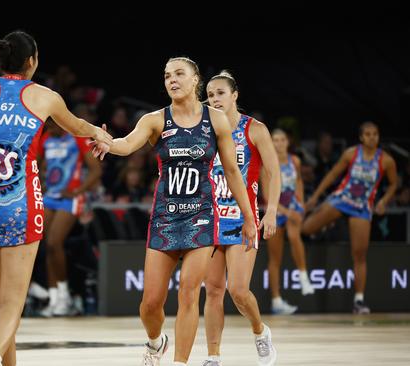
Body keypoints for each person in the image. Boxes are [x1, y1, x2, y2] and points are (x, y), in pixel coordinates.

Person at [0, 31, 112, 366]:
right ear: (32, 61)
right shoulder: (45, 96)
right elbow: (76, 126)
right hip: (20, 203)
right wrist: (100, 133)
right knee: (13, 304)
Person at [91, 58, 257, 366]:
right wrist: (107, 142)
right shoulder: (155, 119)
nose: (172, 80)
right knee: (150, 304)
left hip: (202, 216)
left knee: (188, 294)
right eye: (167, 75)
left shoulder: (216, 120)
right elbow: (126, 145)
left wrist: (249, 217)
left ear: (196, 80)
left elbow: (233, 172)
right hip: (166, 218)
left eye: (179, 74)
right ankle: (156, 341)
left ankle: (180, 363)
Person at [202, 71, 279, 366]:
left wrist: (270, 210)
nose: (214, 99)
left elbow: (273, 172)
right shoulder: (206, 129)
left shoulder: (254, 129)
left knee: (237, 289)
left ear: (234, 95)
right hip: (211, 219)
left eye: (220, 93)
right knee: (213, 291)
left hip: (242, 219)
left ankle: (260, 332)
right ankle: (213, 357)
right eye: (210, 95)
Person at [303, 121, 397, 314]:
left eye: (375, 134)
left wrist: (384, 201)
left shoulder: (386, 160)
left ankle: (359, 301)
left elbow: (394, 184)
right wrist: (313, 198)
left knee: (359, 255)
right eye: (368, 134)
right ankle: (327, 224)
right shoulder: (351, 154)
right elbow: (331, 176)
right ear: (361, 137)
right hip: (342, 199)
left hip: (362, 208)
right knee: (306, 228)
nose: (372, 137)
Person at [39, 118, 102, 316]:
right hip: (50, 196)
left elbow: (96, 170)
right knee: (47, 246)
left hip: (71, 199)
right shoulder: (46, 139)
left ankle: (65, 296)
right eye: (48, 127)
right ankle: (54, 298)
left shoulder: (77, 138)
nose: (50, 130)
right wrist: (43, 178)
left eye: (52, 126)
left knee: (54, 243)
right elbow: (38, 165)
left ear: (61, 123)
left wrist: (77, 191)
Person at [265, 129, 315, 317]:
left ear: (287, 142)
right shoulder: (266, 162)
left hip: (292, 205)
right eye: (275, 140)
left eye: (282, 139)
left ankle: (303, 277)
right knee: (275, 259)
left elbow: (299, 182)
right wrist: (286, 212)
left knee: (295, 236)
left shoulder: (295, 161)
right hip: (274, 209)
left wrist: (300, 205)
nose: (278, 143)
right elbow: (265, 192)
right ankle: (276, 301)